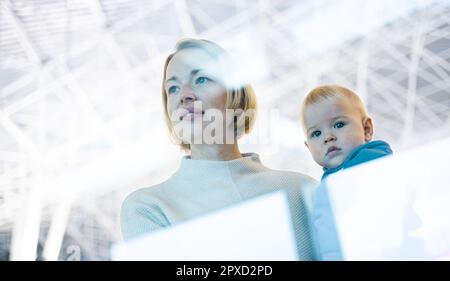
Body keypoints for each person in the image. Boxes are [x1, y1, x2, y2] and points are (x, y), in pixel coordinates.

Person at [121, 38, 318, 260]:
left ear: (235, 93)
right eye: (173, 88)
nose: (184, 95)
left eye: (201, 79)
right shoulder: (149, 208)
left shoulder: (301, 190)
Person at [300, 85, 393, 260]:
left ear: (366, 129)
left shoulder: (373, 163)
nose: (328, 137)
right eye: (316, 133)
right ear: (308, 147)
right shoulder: (328, 183)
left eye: (339, 124)